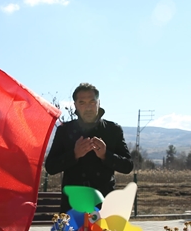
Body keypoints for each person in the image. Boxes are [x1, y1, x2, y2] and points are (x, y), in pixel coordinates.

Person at [45, 83, 134, 212]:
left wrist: (105, 155)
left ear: (99, 103)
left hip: (104, 207)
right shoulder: (64, 130)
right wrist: (74, 154)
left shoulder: (113, 130)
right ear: (75, 105)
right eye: (82, 103)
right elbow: (51, 167)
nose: (88, 107)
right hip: (72, 207)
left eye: (92, 102)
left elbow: (127, 166)